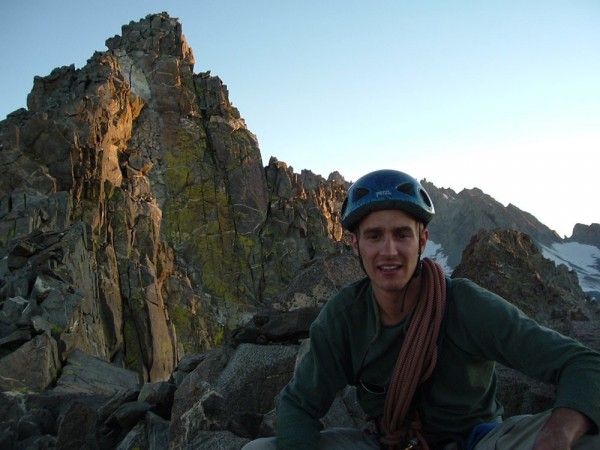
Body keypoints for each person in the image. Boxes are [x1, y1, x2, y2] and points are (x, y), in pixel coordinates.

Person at [243, 169, 600, 450]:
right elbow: (299, 406)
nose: (389, 250)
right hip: (388, 443)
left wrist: (557, 437)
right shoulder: (344, 318)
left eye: (402, 235)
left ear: (422, 241)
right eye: (374, 236)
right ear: (355, 244)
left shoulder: (464, 304)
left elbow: (581, 363)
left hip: (478, 441)